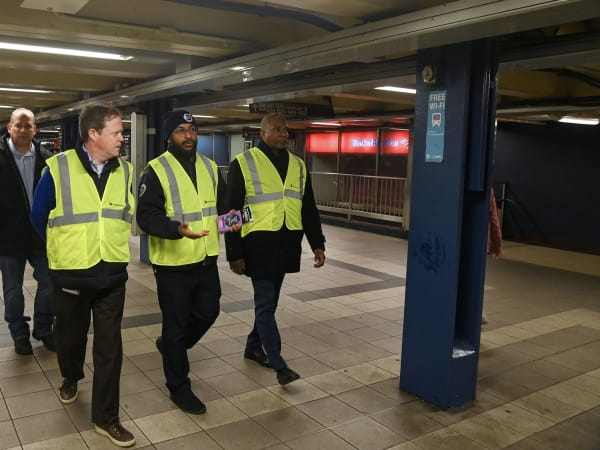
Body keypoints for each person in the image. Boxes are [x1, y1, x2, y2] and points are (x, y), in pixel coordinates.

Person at [31, 105, 135, 448]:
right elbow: (38, 218)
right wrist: (62, 251)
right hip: (71, 275)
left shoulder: (125, 170)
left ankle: (106, 418)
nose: (122, 138)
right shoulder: (58, 169)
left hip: (112, 275)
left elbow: (125, 213)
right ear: (93, 134)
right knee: (70, 338)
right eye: (116, 132)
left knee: (110, 349)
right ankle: (70, 376)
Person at [136, 110, 235, 414]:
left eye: (192, 130)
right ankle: (179, 387)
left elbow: (220, 209)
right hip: (173, 264)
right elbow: (146, 216)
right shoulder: (156, 170)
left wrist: (231, 220)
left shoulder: (209, 167)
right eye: (181, 130)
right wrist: (175, 229)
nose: (189, 136)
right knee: (176, 325)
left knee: (209, 311)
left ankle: (171, 346)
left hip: (205, 258)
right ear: (169, 136)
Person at [225, 112, 326, 385]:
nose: (284, 134)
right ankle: (279, 364)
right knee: (265, 303)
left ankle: (253, 346)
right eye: (278, 129)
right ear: (263, 133)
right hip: (257, 245)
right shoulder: (244, 163)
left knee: (269, 303)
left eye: (286, 129)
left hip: (287, 244)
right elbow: (230, 212)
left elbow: (308, 208)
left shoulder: (298, 165)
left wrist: (317, 243)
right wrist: (234, 252)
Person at [0, 108, 54, 355]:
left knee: (49, 282)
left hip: (40, 235)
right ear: (9, 127)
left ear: (35, 129)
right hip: (8, 238)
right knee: (13, 291)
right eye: (18, 125)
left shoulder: (47, 159)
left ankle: (43, 328)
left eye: (28, 126)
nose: (23, 130)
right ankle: (19, 334)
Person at [482, 187, 503, 326]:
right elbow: (494, 219)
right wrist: (497, 245)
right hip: (479, 246)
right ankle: (477, 312)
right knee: (476, 280)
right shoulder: (488, 189)